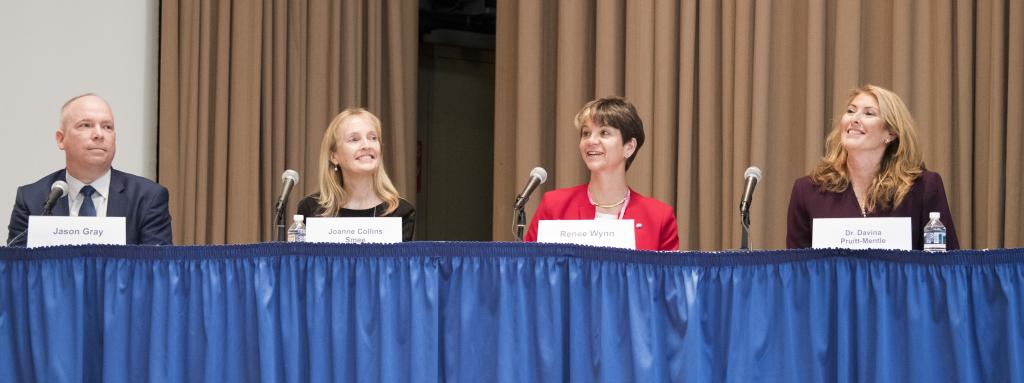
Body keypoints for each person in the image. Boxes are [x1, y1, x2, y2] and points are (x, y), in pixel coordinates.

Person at [786, 84, 960, 250]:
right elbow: (797, 271)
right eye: (850, 111)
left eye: (869, 114)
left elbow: (944, 267)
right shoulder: (808, 190)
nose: (854, 119)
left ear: (890, 133)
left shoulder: (923, 187)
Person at [7, 93, 172, 247]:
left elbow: (156, 272)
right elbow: (17, 271)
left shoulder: (148, 198)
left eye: (107, 127)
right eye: (86, 125)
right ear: (61, 139)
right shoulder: (31, 199)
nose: (99, 134)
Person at [524, 96, 679, 251]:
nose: (591, 141)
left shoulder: (659, 217)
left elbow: (669, 275)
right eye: (586, 133)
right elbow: (528, 269)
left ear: (629, 147)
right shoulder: (554, 206)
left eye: (604, 133)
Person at [297, 108, 415, 241]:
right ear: (334, 156)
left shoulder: (400, 212)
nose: (366, 145)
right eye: (354, 139)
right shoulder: (311, 209)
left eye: (373, 138)